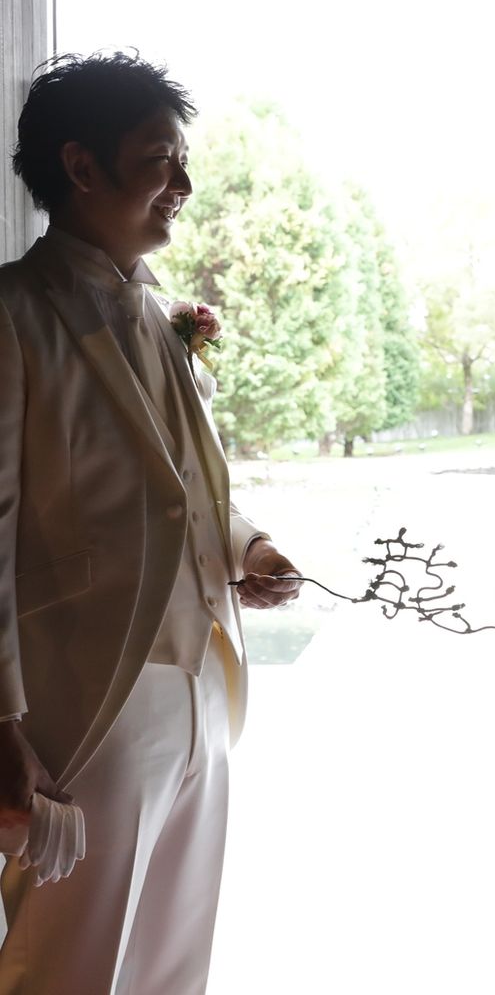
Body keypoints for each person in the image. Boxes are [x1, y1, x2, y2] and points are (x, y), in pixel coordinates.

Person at [0, 52, 302, 993]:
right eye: (160, 159)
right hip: (80, 699)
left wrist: (249, 544)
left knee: (174, 962)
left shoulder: (166, 318)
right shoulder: (11, 314)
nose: (183, 185)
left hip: (202, 680)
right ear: (81, 166)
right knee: (68, 967)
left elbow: (185, 484)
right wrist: (0, 720)